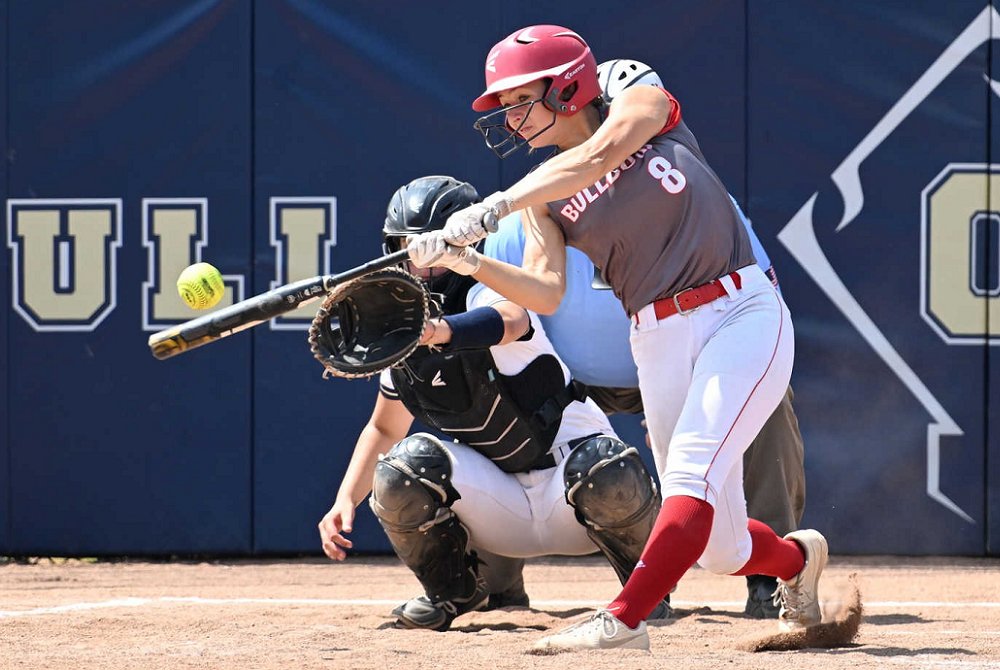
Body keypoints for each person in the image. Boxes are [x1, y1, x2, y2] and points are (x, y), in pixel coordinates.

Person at [404, 26, 827, 651]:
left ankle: (624, 621)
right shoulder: (540, 196)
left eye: (522, 98)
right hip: (655, 334)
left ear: (569, 84)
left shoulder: (631, 87)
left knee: (689, 472)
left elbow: (602, 154)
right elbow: (545, 292)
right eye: (504, 106)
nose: (512, 119)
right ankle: (796, 562)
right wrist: (471, 262)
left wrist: (492, 206)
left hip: (740, 309)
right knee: (719, 548)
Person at [317, 174, 668, 633]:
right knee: (403, 466)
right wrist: (346, 499)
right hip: (499, 504)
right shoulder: (404, 334)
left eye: (433, 252)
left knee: (607, 465)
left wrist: (439, 333)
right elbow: (383, 430)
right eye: (408, 249)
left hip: (573, 489)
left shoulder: (489, 289)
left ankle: (645, 589)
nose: (421, 269)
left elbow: (511, 319)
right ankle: (454, 592)